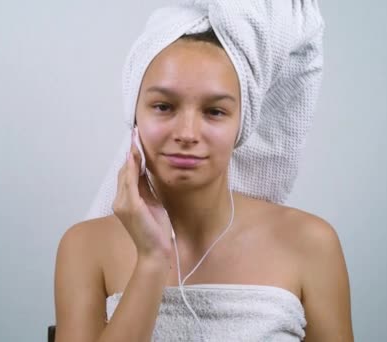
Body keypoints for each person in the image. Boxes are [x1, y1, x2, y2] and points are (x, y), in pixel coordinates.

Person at [55, 1, 353, 341]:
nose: (186, 133)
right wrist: (152, 260)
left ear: (242, 124)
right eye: (163, 107)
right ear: (135, 115)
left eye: (214, 112)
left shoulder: (311, 243)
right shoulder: (85, 247)